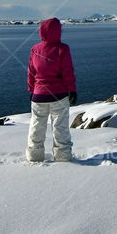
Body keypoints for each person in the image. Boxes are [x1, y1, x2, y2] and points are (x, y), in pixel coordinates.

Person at [26, 17, 77, 162]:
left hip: (38, 95)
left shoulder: (35, 49)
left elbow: (31, 72)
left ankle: (34, 157)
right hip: (59, 95)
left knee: (36, 127)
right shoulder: (63, 49)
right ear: (58, 31)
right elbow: (68, 71)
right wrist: (72, 90)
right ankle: (63, 158)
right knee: (60, 129)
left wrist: (31, 90)